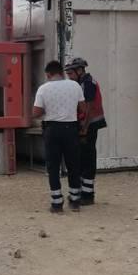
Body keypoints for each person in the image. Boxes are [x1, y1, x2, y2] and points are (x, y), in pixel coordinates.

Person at [32, 60, 85, 213]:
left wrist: (49, 110)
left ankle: (57, 203)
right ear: (61, 72)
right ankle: (75, 201)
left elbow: (36, 113)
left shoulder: (43, 88)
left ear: (48, 74)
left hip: (52, 129)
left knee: (53, 166)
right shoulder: (74, 86)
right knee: (73, 164)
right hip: (71, 129)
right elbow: (83, 108)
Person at [64, 57, 107, 205]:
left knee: (87, 158)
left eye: (70, 73)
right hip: (85, 124)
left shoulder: (88, 83)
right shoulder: (81, 82)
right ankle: (84, 191)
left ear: (80, 70)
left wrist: (84, 128)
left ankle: (88, 195)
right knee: (82, 158)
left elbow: (88, 108)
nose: (69, 76)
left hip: (89, 125)